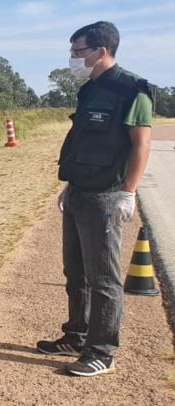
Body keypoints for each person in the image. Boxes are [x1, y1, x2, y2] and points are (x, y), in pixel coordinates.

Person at [37, 21, 153, 376]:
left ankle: (102, 351)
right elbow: (83, 141)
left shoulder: (131, 90)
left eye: (78, 52)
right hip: (79, 192)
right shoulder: (90, 89)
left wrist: (127, 192)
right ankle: (77, 335)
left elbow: (141, 144)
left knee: (103, 278)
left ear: (101, 51)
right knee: (76, 272)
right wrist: (69, 184)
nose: (74, 58)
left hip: (105, 196)